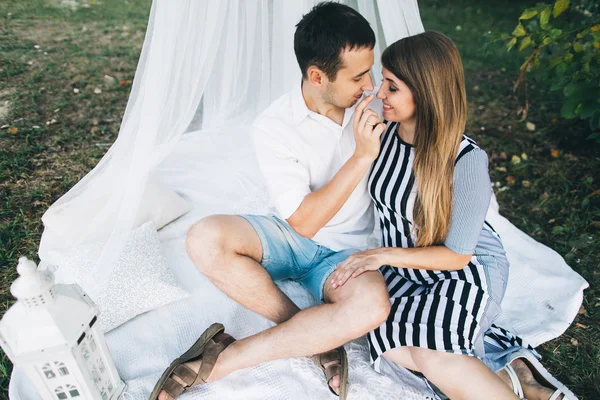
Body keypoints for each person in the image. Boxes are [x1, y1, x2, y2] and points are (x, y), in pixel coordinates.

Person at [149, 3, 390, 399]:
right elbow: (302, 223)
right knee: (204, 238)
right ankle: (313, 334)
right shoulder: (274, 126)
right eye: (359, 76)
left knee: (370, 308)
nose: (370, 85)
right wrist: (362, 155)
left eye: (371, 71)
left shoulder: (377, 107)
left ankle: (226, 358)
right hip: (290, 237)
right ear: (317, 76)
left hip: (349, 252)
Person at [328, 30, 570, 400]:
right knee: (388, 348)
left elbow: (458, 255)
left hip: (463, 268)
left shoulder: (466, 159)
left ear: (423, 92)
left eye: (391, 87)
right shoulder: (384, 135)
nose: (379, 94)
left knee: (432, 353)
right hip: (407, 272)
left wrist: (379, 255)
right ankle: (509, 367)